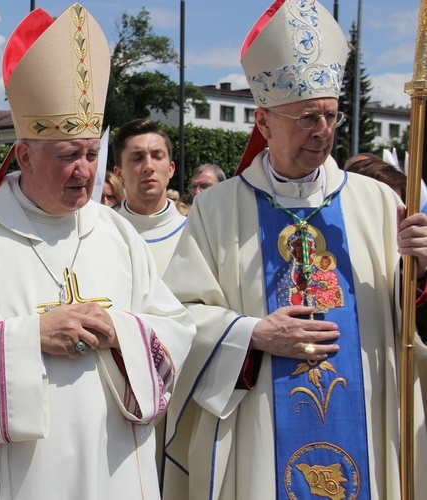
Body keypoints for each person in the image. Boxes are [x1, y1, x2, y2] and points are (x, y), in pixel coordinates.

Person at [0, 5, 196, 499]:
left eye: (91, 155)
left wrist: (121, 330)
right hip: (18, 467)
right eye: (67, 156)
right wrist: (30, 335)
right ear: (24, 155)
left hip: (114, 455)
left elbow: (175, 327)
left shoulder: (117, 234)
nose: (84, 171)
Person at [162, 1, 427, 498]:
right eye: (307, 117)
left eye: (329, 116)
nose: (323, 131)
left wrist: (425, 273)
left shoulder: (376, 201)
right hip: (260, 426)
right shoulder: (218, 210)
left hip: (365, 419)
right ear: (262, 122)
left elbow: (405, 323)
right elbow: (179, 316)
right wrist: (252, 332)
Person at [113, 118, 186, 276]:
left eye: (157, 156)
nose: (149, 167)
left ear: (171, 168)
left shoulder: (194, 234)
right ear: (119, 173)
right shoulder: (105, 231)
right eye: (137, 158)